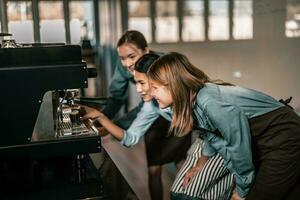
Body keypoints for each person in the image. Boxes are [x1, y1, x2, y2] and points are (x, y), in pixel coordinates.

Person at [146, 52, 300, 200]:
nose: (151, 94)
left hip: (284, 138)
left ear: (172, 86)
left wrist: (242, 190)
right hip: (268, 141)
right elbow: (212, 135)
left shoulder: (210, 102)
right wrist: (200, 165)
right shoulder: (196, 101)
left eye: (155, 88)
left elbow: (238, 147)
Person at [84, 53, 235, 200]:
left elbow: (226, 133)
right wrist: (101, 117)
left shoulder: (201, 98)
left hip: (226, 139)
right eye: (136, 82)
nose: (138, 89)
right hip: (209, 140)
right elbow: (130, 138)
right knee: (180, 192)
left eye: (142, 83)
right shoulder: (151, 105)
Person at [88, 32, 191, 200]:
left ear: (146, 51)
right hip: (153, 117)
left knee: (181, 164)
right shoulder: (124, 69)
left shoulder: (162, 65)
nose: (127, 63)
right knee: (153, 168)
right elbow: (116, 98)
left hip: (178, 116)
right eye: (122, 58)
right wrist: (102, 119)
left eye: (131, 56)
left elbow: (148, 106)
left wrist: (110, 124)